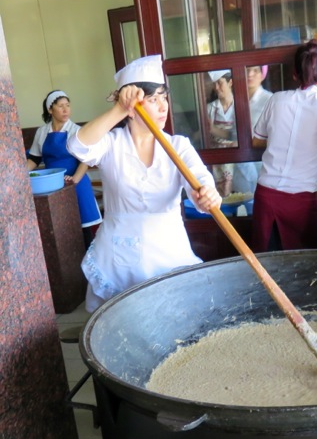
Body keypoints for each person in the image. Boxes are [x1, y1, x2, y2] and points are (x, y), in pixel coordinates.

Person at [67, 55, 221, 313]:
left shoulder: (178, 145)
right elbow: (77, 145)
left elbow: (200, 180)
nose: (163, 107)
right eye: (152, 99)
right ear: (133, 107)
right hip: (118, 259)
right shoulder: (112, 144)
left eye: (164, 97)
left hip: (169, 253)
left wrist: (208, 196)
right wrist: (118, 108)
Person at [251, 40, 317, 252]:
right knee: (308, 269)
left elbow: (257, 139)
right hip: (300, 201)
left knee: (267, 268)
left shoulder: (276, 100)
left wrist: (278, 139)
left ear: (294, 73)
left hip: (266, 195)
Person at [27, 90, 102, 247]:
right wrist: (20, 175)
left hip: (76, 182)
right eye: (60, 106)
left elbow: (85, 160)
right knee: (59, 228)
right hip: (52, 185)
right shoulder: (42, 132)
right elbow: (34, 158)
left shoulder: (76, 131)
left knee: (83, 229)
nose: (66, 110)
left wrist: (75, 179)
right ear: (50, 109)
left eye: (68, 105)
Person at [232, 65, 273, 194]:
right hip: (235, 162)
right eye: (247, 70)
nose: (250, 74)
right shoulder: (234, 99)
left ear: (262, 74)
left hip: (258, 162)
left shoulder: (270, 100)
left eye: (255, 70)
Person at [207, 70, 236, 196]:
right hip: (216, 162)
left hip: (237, 161)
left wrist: (213, 129)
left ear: (231, 82)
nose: (216, 88)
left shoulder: (240, 105)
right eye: (215, 84)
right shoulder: (210, 108)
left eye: (220, 83)